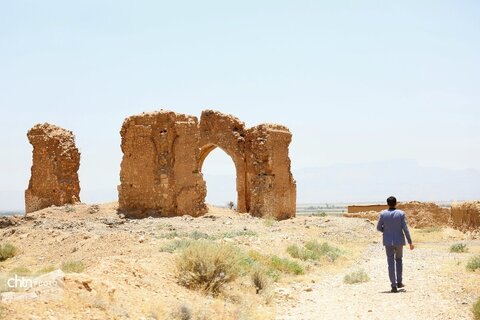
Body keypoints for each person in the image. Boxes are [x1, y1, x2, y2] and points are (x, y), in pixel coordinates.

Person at [377, 196, 414, 293]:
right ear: (396, 203)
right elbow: (405, 229)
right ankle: (399, 282)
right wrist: (410, 242)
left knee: (390, 263)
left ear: (387, 204)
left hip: (388, 241)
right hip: (399, 241)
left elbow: (378, 227)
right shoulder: (401, 214)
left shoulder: (383, 214)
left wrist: (386, 231)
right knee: (399, 260)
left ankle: (393, 286)